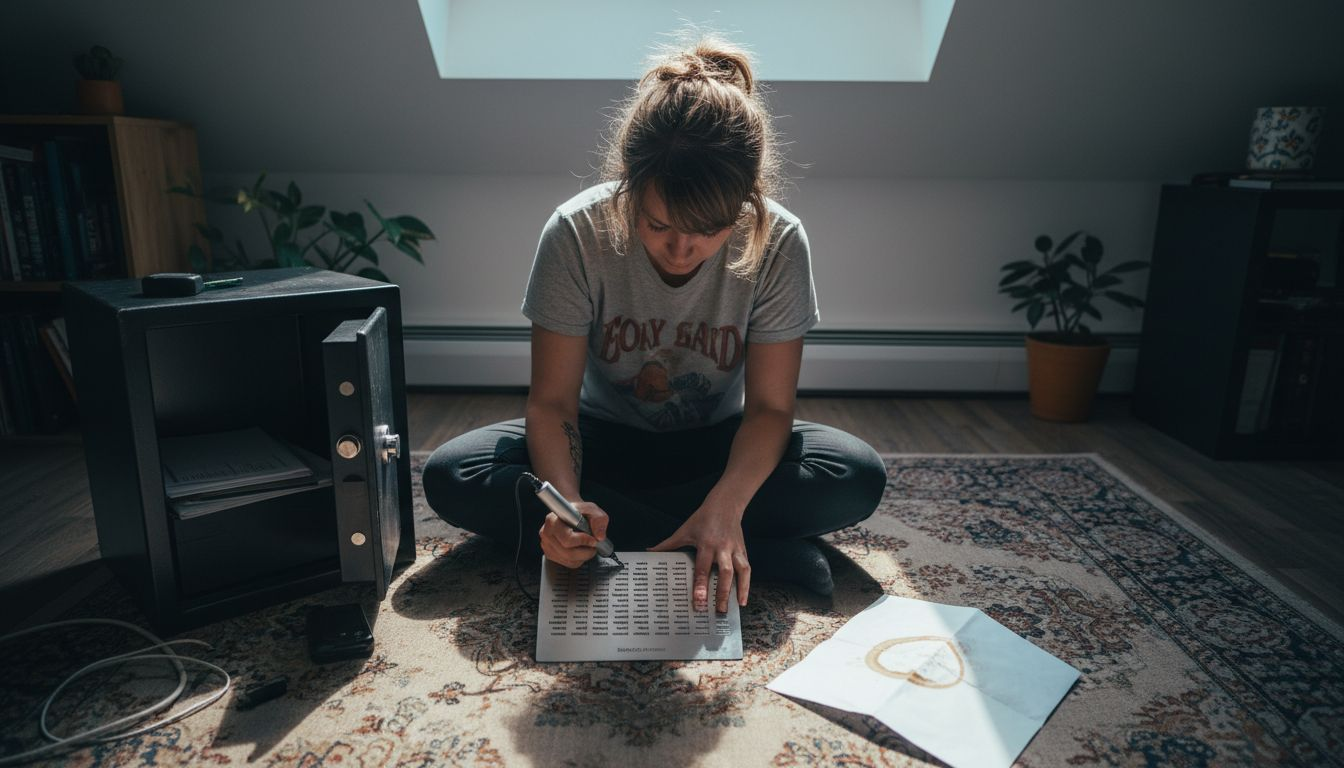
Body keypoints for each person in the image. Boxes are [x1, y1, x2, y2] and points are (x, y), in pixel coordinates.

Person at [423, 37, 887, 614]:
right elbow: (551, 404)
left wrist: (727, 501)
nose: (681, 248)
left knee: (854, 473)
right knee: (453, 473)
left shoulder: (779, 240)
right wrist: (567, 505)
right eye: (657, 222)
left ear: (748, 199)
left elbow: (769, 409)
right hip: (599, 446)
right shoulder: (577, 231)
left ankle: (667, 534)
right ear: (628, 187)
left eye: (710, 229)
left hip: (715, 451)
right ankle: (753, 549)